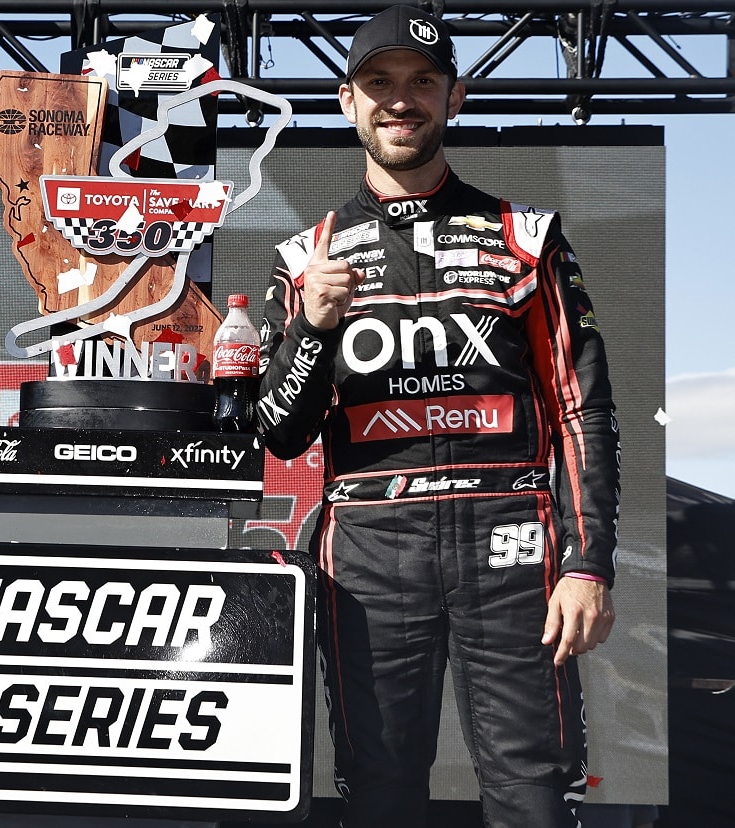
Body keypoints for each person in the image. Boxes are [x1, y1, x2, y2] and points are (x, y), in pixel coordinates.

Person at [255, 6, 620, 827]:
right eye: (379, 83)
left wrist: (587, 562)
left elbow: (580, 409)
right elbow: (279, 430)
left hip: (512, 538)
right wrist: (312, 327)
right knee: (378, 788)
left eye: (422, 82)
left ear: (454, 96)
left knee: (533, 785)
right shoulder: (303, 257)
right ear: (347, 100)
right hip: (373, 546)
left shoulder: (529, 239)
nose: (401, 100)